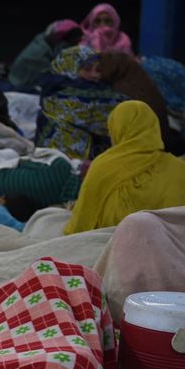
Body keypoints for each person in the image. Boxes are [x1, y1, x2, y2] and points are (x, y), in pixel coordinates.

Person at [64, 100, 185, 234]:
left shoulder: (103, 166)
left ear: (117, 129)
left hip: (114, 238)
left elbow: (82, 220)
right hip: (168, 242)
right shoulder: (179, 169)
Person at [35, 45, 128, 159]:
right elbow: (122, 111)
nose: (94, 75)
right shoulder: (61, 96)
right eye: (87, 69)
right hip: (61, 164)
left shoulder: (95, 90)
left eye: (98, 70)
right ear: (69, 68)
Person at [98, 51, 183, 154]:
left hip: (150, 145)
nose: (94, 75)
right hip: (163, 140)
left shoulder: (123, 87)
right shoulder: (140, 74)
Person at [8, 19, 84, 92]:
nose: (75, 47)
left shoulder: (50, 42)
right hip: (21, 88)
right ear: (60, 41)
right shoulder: (40, 54)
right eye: (72, 44)